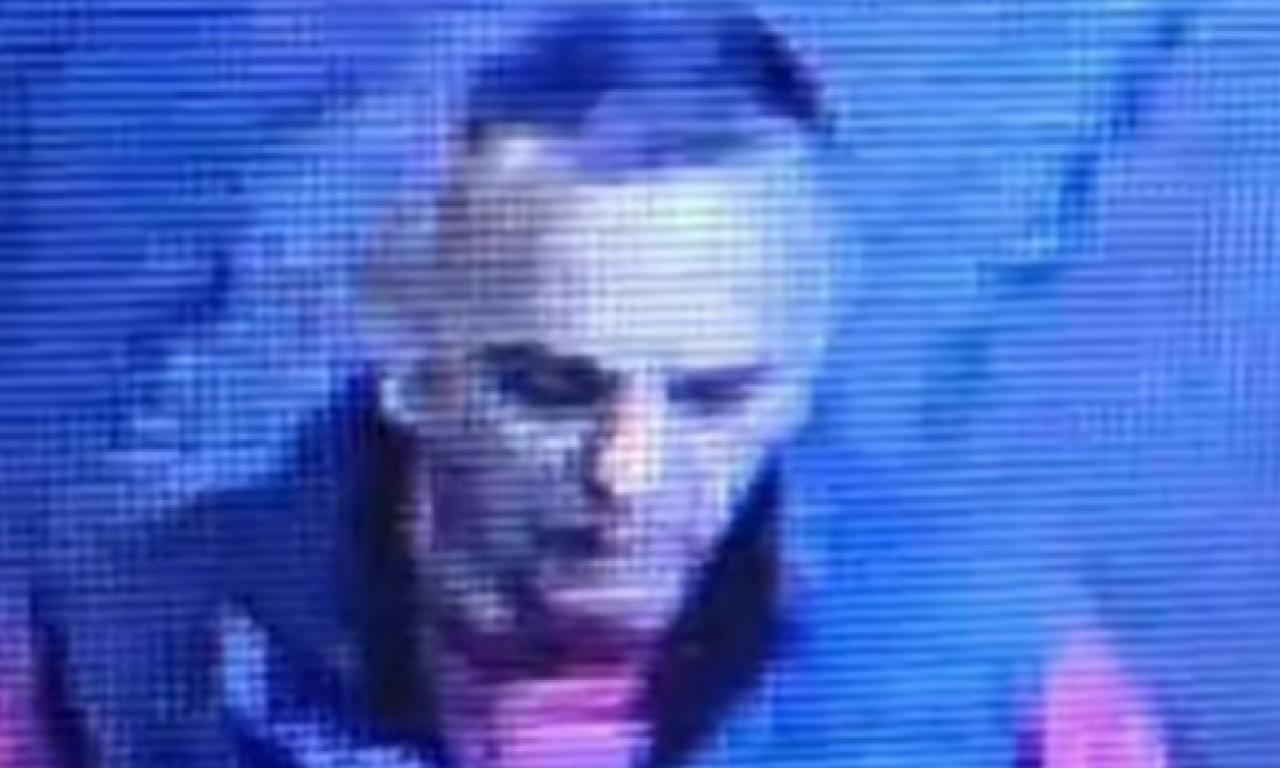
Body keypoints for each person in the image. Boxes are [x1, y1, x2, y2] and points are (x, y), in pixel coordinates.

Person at [0, 2, 1171, 766]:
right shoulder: (123, 657)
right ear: (410, 352)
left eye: (712, 396)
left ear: (803, 368)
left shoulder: (995, 674)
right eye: (549, 388)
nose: (628, 474)